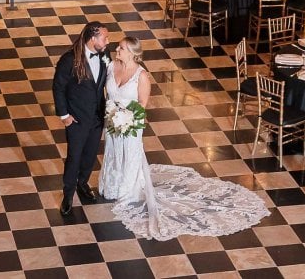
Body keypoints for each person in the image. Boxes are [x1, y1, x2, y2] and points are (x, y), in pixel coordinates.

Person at [99, 36, 271, 241]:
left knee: (130, 156)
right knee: (113, 152)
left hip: (131, 125)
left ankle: (128, 190)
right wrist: (111, 113)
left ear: (132, 52)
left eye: (121, 48)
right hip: (112, 123)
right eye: (118, 47)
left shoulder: (141, 76)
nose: (117, 50)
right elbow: (107, 94)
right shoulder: (112, 67)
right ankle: (112, 183)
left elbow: (142, 106)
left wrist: (126, 119)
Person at [52, 21, 110, 216]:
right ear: (93, 38)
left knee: (90, 155)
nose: (107, 41)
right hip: (76, 119)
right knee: (74, 157)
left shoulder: (104, 56)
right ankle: (68, 195)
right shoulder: (69, 60)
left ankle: (82, 184)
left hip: (96, 118)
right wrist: (65, 116)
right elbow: (58, 88)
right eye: (104, 37)